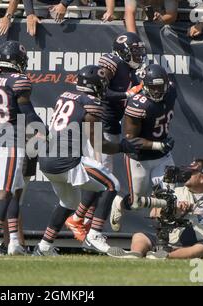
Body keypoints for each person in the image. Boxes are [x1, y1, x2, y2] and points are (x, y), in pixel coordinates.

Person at [33, 65, 143, 256]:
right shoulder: (91, 104)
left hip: (46, 160)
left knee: (68, 202)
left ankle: (43, 247)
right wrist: (123, 146)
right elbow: (100, 145)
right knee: (112, 184)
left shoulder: (65, 95)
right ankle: (94, 235)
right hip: (66, 161)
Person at [64, 32, 146, 240]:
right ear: (122, 51)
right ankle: (78, 219)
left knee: (102, 181)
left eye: (139, 51)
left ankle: (85, 223)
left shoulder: (130, 69)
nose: (138, 55)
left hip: (112, 126)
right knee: (102, 180)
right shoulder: (111, 62)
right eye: (134, 51)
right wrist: (126, 95)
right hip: (99, 125)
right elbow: (99, 91)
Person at [109, 159, 203, 259]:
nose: (185, 175)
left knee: (201, 248)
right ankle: (135, 254)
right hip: (171, 242)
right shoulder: (174, 191)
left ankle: (164, 257)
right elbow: (154, 214)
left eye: (190, 173)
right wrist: (172, 209)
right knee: (140, 236)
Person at [0, 40, 44, 256]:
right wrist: (41, 128)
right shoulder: (18, 80)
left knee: (15, 191)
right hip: (10, 139)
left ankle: (14, 242)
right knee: (6, 191)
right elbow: (27, 111)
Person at [109, 64, 176, 231]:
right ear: (144, 86)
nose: (158, 91)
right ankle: (119, 203)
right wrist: (159, 144)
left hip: (162, 156)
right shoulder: (138, 104)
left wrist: (162, 146)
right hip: (140, 157)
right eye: (153, 87)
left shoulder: (171, 91)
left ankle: (165, 239)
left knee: (169, 197)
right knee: (136, 203)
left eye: (161, 87)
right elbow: (130, 140)